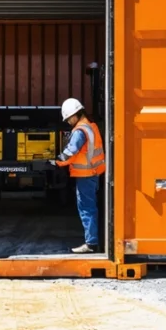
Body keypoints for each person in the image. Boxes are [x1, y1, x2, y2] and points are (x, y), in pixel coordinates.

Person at [52, 97, 105, 253]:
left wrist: (56, 162)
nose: (68, 121)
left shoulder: (80, 131)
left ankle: (91, 243)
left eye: (69, 118)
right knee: (91, 207)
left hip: (85, 175)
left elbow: (70, 152)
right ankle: (93, 241)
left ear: (76, 114)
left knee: (86, 208)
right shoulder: (90, 126)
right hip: (93, 173)